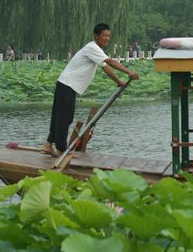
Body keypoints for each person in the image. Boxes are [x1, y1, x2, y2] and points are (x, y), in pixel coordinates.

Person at [42, 23, 140, 157]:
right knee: (64, 118)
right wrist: (129, 72)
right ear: (96, 36)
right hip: (67, 85)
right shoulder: (92, 47)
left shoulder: (97, 51)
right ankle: (61, 149)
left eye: (108, 36)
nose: (107, 38)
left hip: (67, 86)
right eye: (104, 35)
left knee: (61, 117)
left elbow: (105, 67)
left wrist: (118, 82)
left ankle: (48, 145)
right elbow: (111, 62)